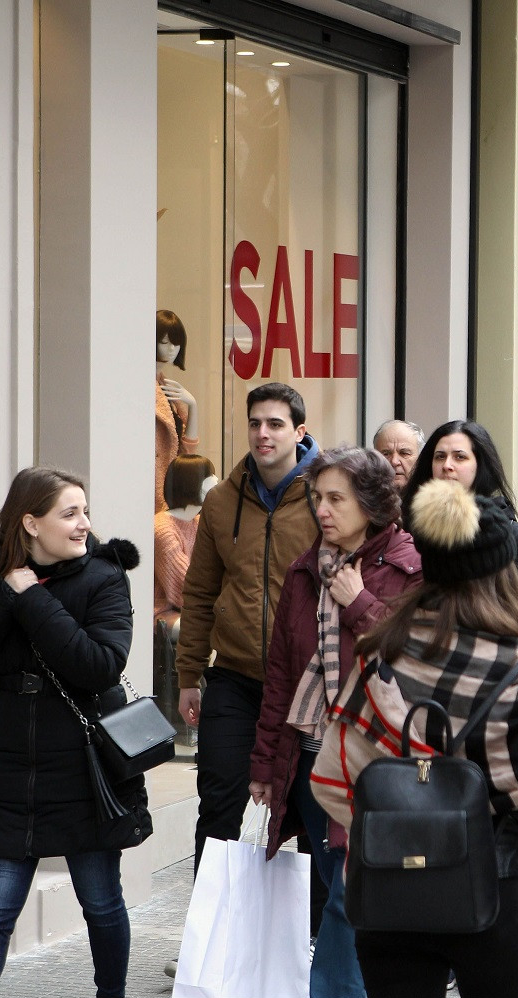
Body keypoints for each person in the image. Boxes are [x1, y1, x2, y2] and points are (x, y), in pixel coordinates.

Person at [312, 478, 518, 998]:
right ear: (502, 571)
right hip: (492, 890)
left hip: (389, 892)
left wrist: (406, 817)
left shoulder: (380, 654)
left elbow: (330, 779)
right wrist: (475, 803)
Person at [0, 467, 151, 998]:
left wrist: (32, 599)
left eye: (85, 512)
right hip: (7, 764)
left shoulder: (104, 576)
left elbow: (99, 665)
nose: (84, 525)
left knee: (101, 903)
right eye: (69, 513)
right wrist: (6, 593)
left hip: (86, 768)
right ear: (30, 523)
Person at [247, 447, 422, 998]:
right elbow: (280, 675)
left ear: (369, 504)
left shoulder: (408, 566)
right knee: (338, 887)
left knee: (351, 890)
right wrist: (263, 765)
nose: (322, 510)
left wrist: (360, 601)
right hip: (309, 755)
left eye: (336, 499)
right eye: (317, 498)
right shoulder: (305, 571)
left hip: (376, 756)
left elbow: (416, 659)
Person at [176, 382, 319, 871]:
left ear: (299, 431)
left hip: (309, 682)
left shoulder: (328, 494)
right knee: (218, 803)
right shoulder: (220, 500)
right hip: (234, 679)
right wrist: (189, 675)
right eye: (255, 423)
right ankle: (209, 940)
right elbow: (199, 592)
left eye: (276, 424)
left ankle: (315, 940)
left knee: (309, 811)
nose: (263, 434)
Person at [401, 419, 518, 607]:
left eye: (460, 457)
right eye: (440, 457)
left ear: (480, 465)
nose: (447, 465)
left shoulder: (513, 536)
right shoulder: (411, 530)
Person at [154, 454, 217, 633]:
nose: (216, 480)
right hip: (164, 612)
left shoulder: (198, 523)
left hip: (194, 609)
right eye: (209, 476)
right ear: (193, 483)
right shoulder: (162, 529)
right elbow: (184, 586)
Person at [155, 310, 200, 513]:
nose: (172, 348)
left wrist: (193, 405)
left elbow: (187, 451)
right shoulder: (144, 388)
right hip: (151, 487)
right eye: (164, 342)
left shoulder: (167, 388)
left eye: (176, 342)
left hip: (168, 488)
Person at [372, 418, 425, 490]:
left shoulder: (434, 500)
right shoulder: (358, 499)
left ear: (420, 459)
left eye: (404, 453)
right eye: (386, 454)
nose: (394, 462)